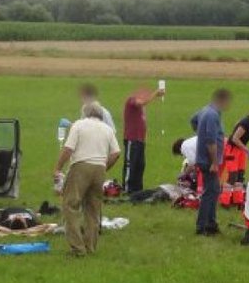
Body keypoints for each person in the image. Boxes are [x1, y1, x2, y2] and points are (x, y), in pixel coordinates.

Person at [54, 102, 121, 256]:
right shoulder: (108, 129)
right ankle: (90, 247)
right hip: (99, 170)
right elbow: (116, 153)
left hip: (80, 167)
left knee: (70, 206)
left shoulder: (78, 125)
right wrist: (104, 167)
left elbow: (68, 148)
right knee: (93, 210)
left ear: (85, 113)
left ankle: (77, 248)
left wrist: (57, 168)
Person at [194, 88, 232, 236]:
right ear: (221, 100)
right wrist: (215, 162)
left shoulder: (206, 110)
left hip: (205, 159)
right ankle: (202, 226)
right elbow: (211, 141)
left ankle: (211, 223)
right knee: (210, 192)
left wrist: (200, 133)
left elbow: (193, 120)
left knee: (214, 190)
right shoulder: (212, 115)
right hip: (208, 160)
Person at [122, 84, 165, 194]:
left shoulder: (140, 108)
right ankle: (127, 188)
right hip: (132, 139)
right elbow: (141, 102)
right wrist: (155, 94)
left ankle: (137, 188)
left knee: (140, 164)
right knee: (130, 163)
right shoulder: (131, 100)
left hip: (140, 140)